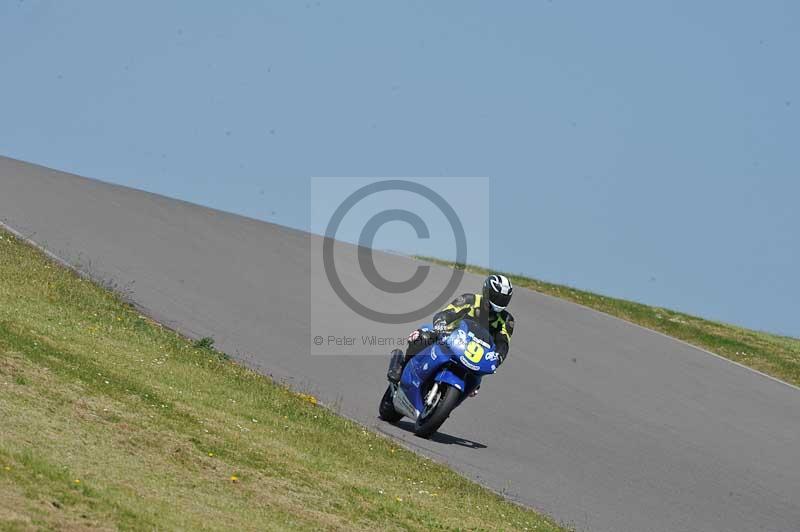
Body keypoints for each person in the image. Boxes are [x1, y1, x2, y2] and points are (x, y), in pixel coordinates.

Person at [387, 274, 515, 383]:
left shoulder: (507, 320)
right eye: (496, 297)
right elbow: (447, 313)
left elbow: (503, 343)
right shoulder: (469, 299)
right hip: (450, 336)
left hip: (475, 354)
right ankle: (401, 366)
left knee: (476, 383)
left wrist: (498, 357)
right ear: (487, 292)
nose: (499, 301)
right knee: (422, 335)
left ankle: (445, 406)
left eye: (503, 299)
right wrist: (441, 324)